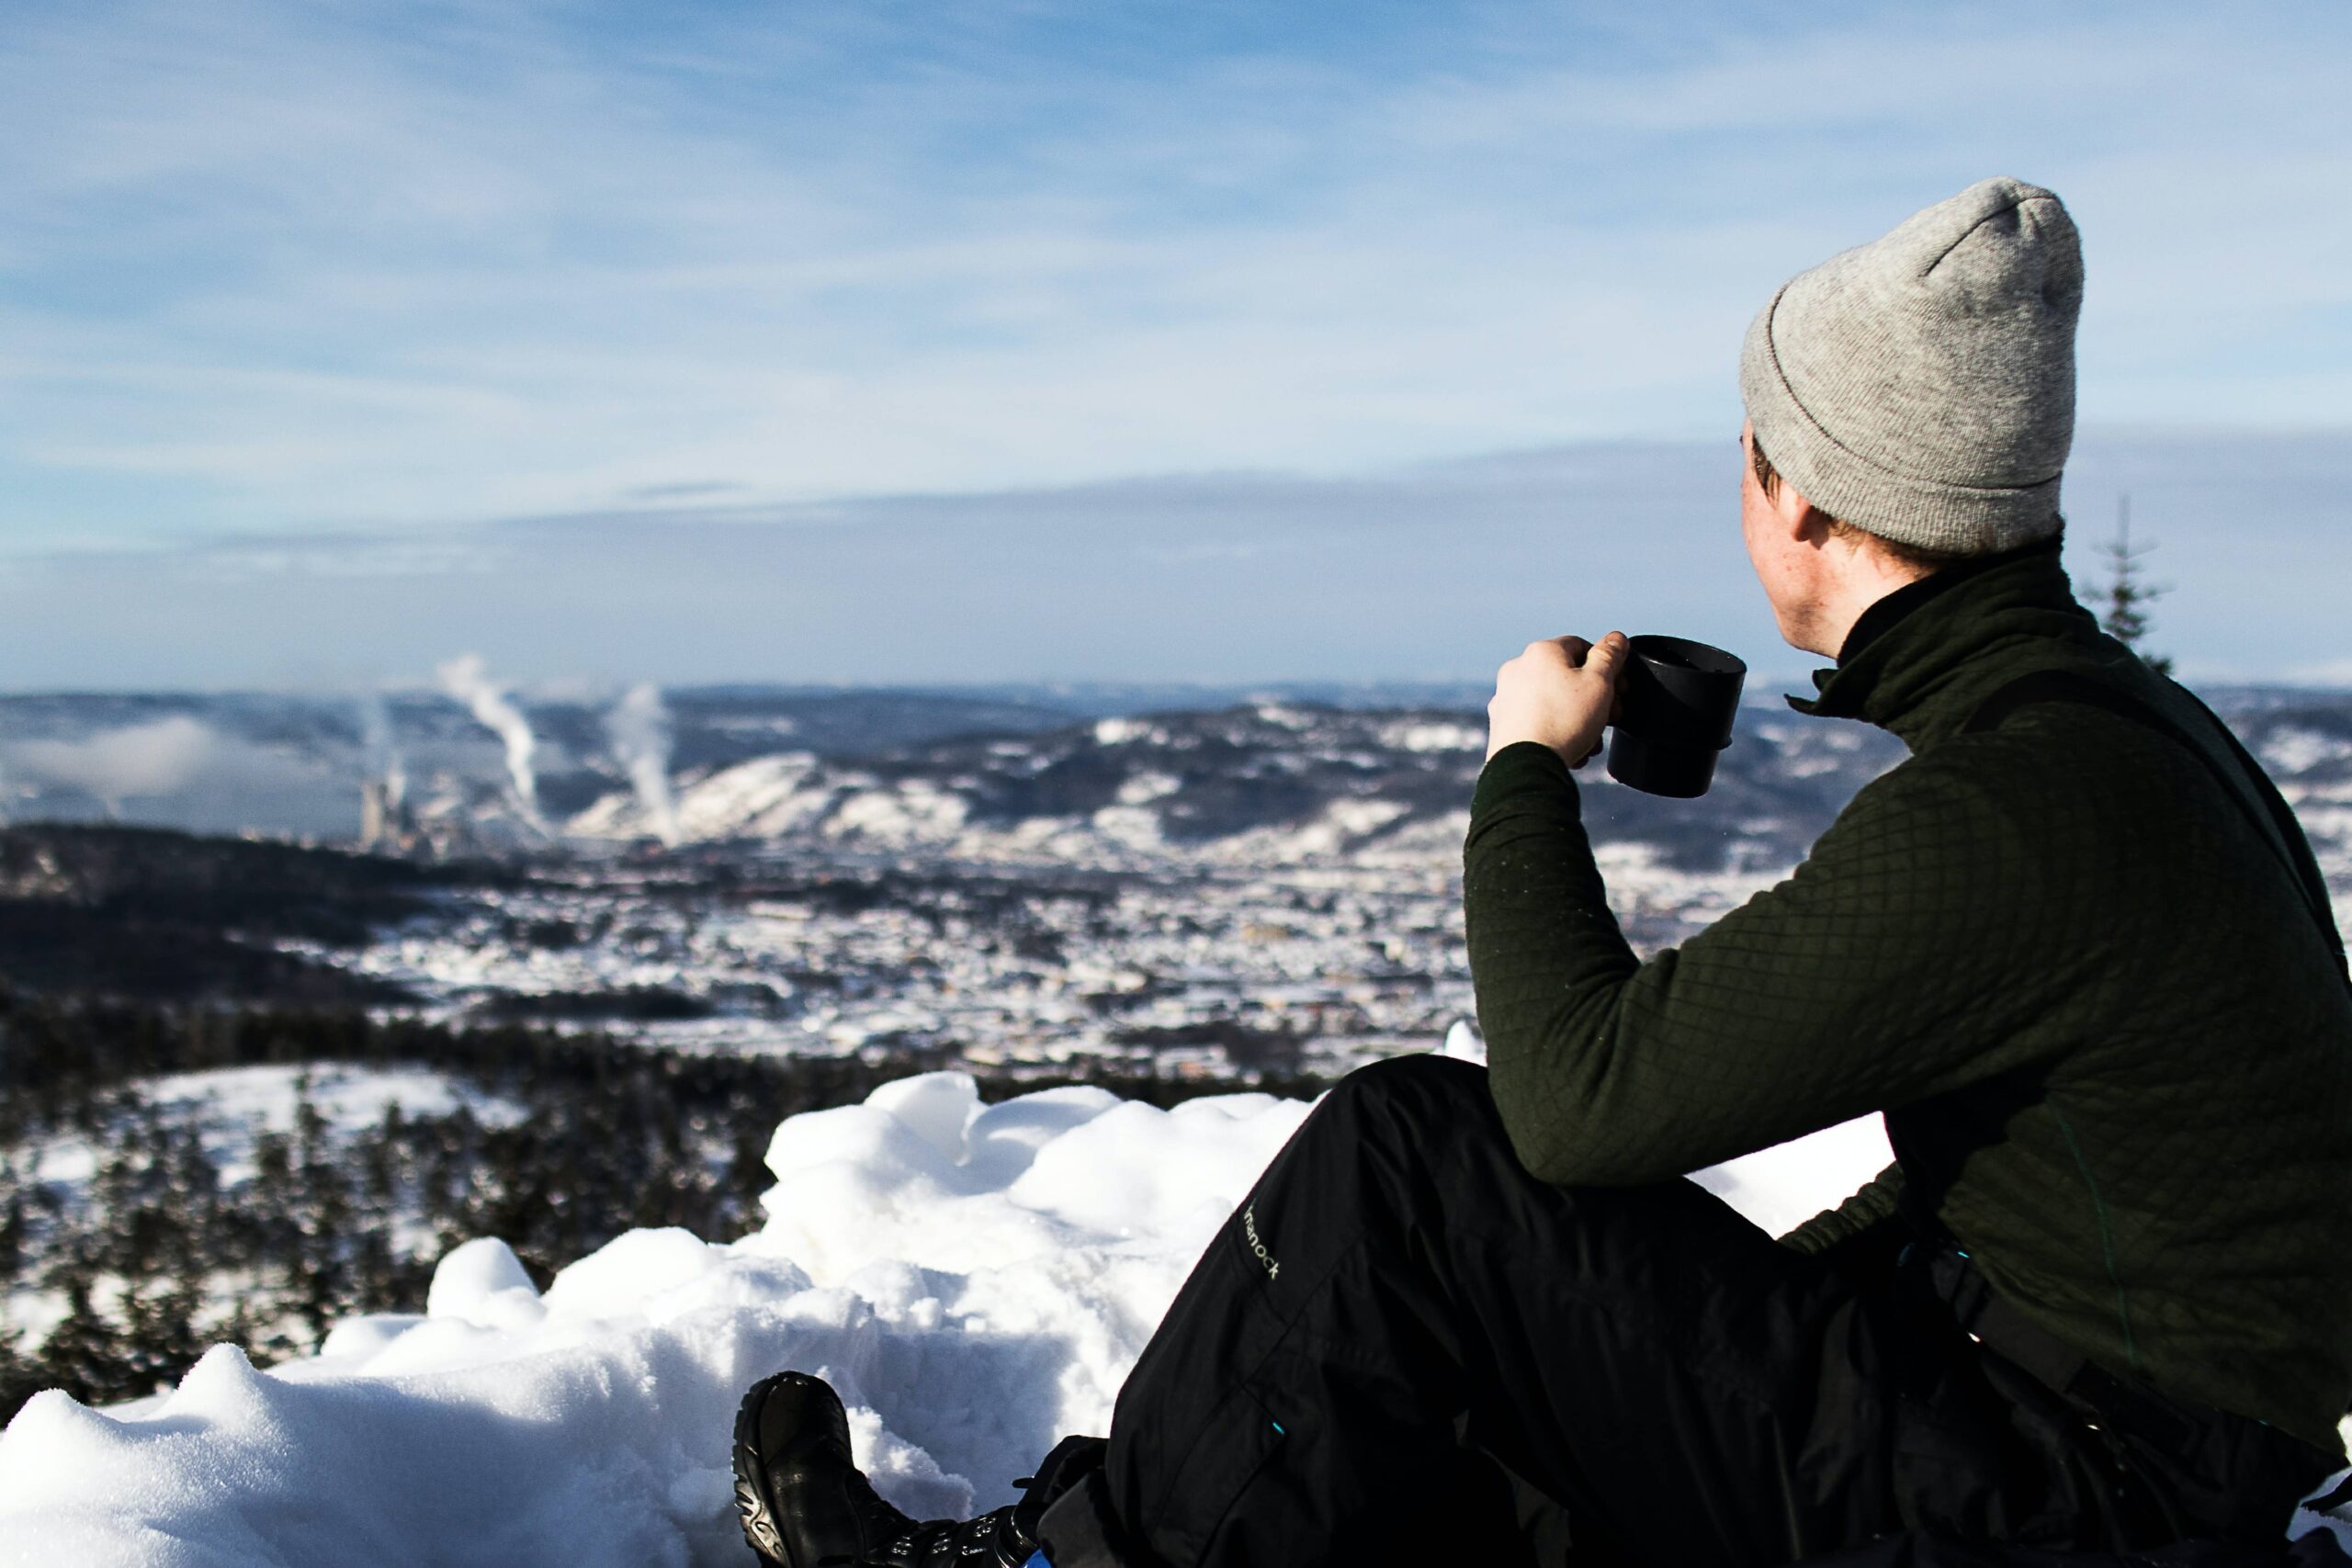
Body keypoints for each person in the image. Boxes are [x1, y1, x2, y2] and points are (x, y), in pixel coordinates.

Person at [727, 177, 2352, 1568]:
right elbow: (2024, 1194)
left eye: (1752, 452)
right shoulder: (2134, 743)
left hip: (2074, 1503)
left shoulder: (2015, 813)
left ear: (1804, 499)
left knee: (1411, 1153)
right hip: (2120, 1453)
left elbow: (1576, 1099)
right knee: (1518, 1321)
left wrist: (1526, 768)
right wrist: (1657, 1332)